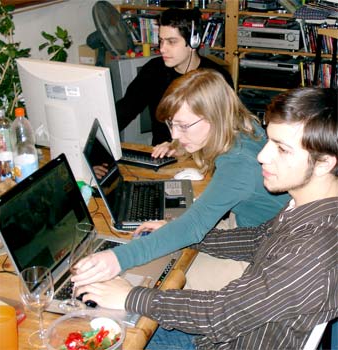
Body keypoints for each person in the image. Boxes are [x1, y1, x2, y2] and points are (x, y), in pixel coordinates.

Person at [76, 87, 338, 349]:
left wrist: (130, 297)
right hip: (226, 329)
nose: (262, 156)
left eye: (281, 149)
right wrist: (193, 240)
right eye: (269, 141)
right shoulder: (307, 203)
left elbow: (218, 315)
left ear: (325, 163)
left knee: (93, 328)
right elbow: (257, 238)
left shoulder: (313, 251)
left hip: (223, 340)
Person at [72, 68, 289, 289]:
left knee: (158, 280)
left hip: (262, 257)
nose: (174, 135)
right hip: (251, 232)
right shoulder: (240, 126)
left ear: (215, 117)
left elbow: (193, 226)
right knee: (163, 253)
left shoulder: (239, 164)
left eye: (183, 126)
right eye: (171, 124)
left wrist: (116, 259)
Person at [116, 8, 234, 146]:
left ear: (193, 42)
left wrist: (177, 148)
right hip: (161, 158)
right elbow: (123, 112)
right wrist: (97, 158)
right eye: (161, 41)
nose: (162, 49)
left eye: (171, 41)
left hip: (202, 158)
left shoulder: (217, 78)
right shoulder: (153, 70)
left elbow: (225, 133)